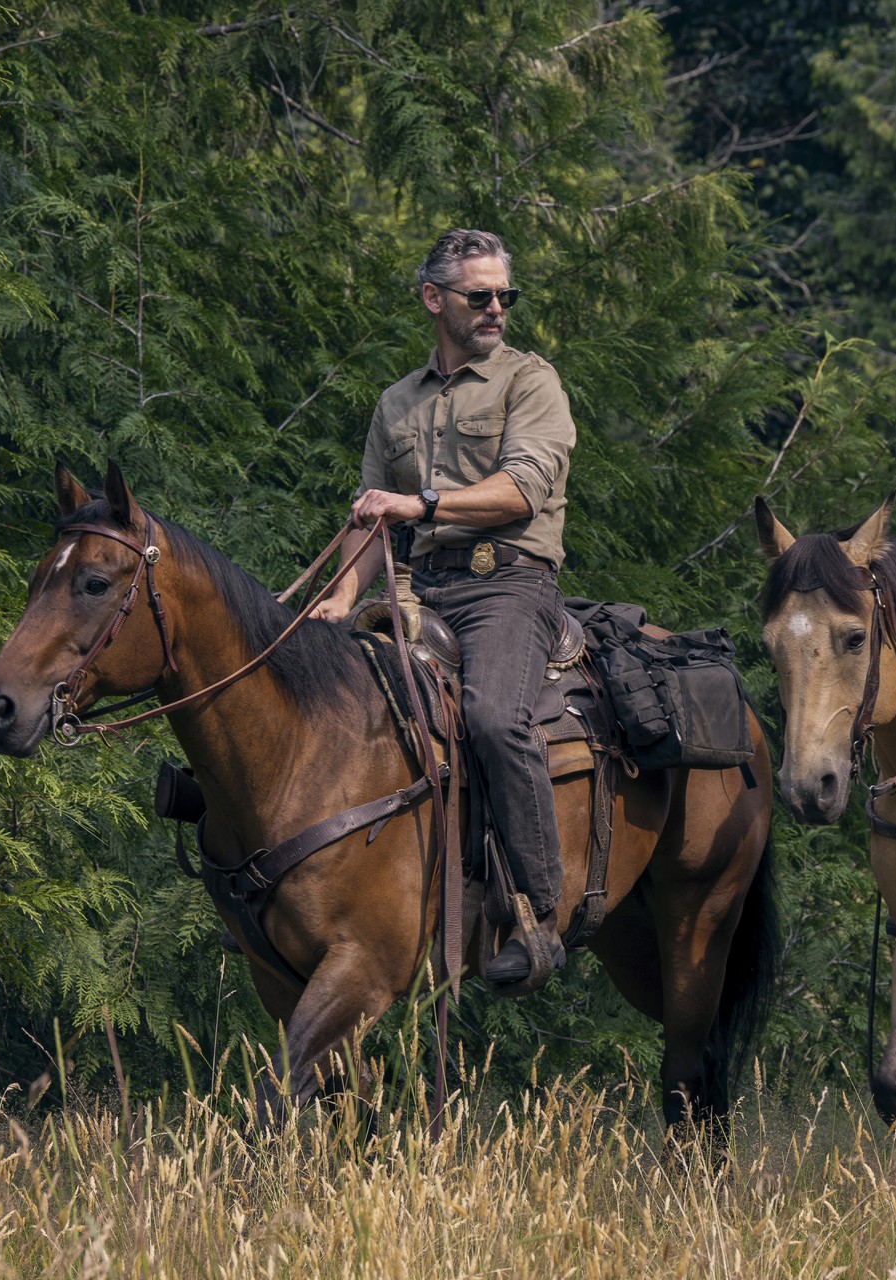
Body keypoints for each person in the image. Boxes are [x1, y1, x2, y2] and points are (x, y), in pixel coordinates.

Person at [311, 228, 576, 984]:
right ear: (435, 299)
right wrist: (335, 601)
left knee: (495, 718)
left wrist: (419, 503)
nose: (496, 307)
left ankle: (536, 912)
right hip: (419, 589)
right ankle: (320, 892)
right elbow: (372, 521)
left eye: (505, 295)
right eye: (479, 295)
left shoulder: (531, 382)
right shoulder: (395, 403)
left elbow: (522, 489)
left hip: (509, 584)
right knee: (332, 707)